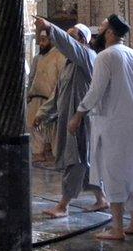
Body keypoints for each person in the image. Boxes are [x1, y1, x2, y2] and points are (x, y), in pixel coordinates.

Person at [69, 14, 133, 241]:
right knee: (132, 172)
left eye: (101, 28)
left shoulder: (105, 56)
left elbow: (96, 91)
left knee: (113, 173)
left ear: (110, 33)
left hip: (111, 123)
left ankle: (118, 228)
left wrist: (78, 114)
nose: (98, 34)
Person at [33, 19, 108, 218]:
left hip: (82, 119)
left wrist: (50, 27)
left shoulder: (87, 56)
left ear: (82, 40)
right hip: (69, 119)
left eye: (71, 36)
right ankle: (101, 198)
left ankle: (63, 205)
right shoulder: (69, 64)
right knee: (84, 160)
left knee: (76, 160)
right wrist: (42, 114)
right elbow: (58, 94)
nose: (66, 40)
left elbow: (68, 44)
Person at [27, 29, 65, 163]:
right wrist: (29, 94)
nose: (41, 43)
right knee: (34, 125)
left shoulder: (60, 56)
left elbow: (61, 79)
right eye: (40, 40)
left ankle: (56, 156)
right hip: (36, 96)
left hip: (51, 99)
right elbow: (32, 77)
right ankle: (38, 153)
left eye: (44, 40)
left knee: (53, 130)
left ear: (52, 41)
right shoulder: (38, 57)